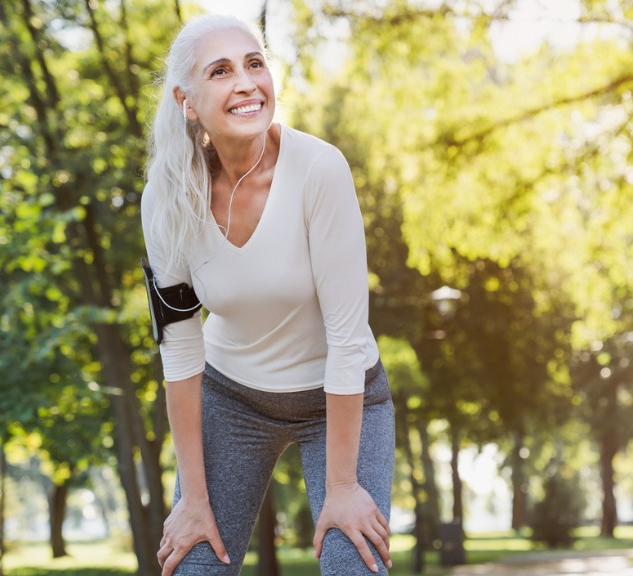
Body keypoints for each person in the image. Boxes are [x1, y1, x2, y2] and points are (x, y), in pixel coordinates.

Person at [140, 14, 394, 576]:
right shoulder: (165, 198)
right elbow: (180, 351)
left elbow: (349, 340)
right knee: (193, 565)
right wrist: (193, 501)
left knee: (351, 565)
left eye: (255, 63)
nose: (247, 82)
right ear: (187, 100)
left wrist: (344, 485)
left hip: (342, 402)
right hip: (233, 400)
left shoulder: (319, 169)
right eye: (222, 70)